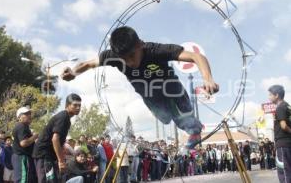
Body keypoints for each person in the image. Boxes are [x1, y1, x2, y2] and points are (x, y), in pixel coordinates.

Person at [61, 26, 219, 148]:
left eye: (132, 56)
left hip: (170, 87)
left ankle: (195, 131)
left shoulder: (156, 50)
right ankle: (180, 119)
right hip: (150, 96)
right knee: (165, 118)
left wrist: (208, 79)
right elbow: (87, 64)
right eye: (125, 59)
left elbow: (196, 56)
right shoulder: (112, 57)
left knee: (182, 113)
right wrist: (74, 73)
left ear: (140, 45)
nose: (130, 62)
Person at [33, 93, 81, 183]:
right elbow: (55, 139)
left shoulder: (66, 119)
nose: (78, 108)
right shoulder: (63, 117)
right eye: (75, 105)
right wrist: (61, 161)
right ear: (67, 105)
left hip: (49, 155)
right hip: (44, 154)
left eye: (79, 105)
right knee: (48, 181)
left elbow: (60, 142)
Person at [268, 85, 291, 183]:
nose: (268, 97)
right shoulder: (288, 106)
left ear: (276, 95)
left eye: (270, 95)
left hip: (282, 144)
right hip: (288, 143)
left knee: (284, 172)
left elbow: (283, 125)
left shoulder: (280, 108)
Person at [12, 106, 38, 183]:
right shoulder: (21, 126)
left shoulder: (25, 127)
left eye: (30, 113)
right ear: (20, 117)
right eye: (26, 114)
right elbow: (23, 143)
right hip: (22, 157)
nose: (29, 115)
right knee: (23, 180)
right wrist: (35, 136)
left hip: (24, 157)